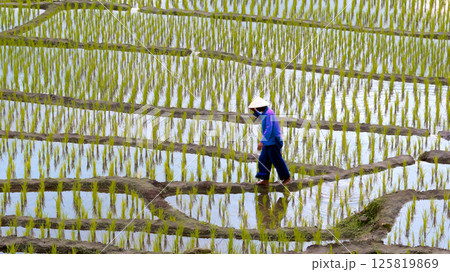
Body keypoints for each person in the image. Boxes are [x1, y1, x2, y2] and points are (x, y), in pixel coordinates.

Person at [248, 97, 291, 185]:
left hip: (274, 141)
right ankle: (265, 179)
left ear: (261, 106)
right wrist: (255, 112)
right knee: (263, 159)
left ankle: (287, 177)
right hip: (269, 141)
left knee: (276, 160)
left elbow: (269, 129)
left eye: (257, 108)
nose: (257, 109)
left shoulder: (269, 114)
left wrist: (262, 142)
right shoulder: (266, 112)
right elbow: (261, 117)